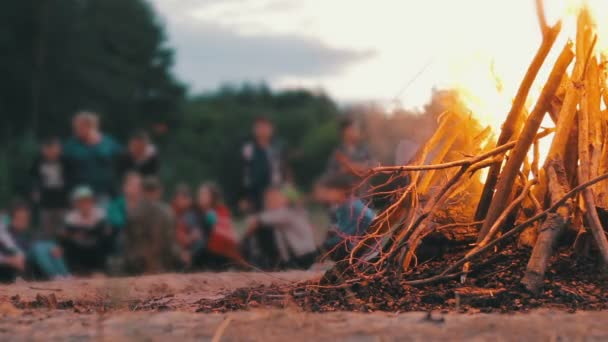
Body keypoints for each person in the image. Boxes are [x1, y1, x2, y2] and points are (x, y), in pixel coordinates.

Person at [245, 187, 317, 269]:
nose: (269, 202)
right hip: (298, 255)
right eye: (267, 200)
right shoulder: (285, 212)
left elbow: (259, 219)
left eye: (274, 199)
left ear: (285, 199)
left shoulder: (287, 212)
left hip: (304, 255)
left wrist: (253, 221)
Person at [123, 176, 180, 275]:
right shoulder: (167, 211)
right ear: (159, 191)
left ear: (142, 192)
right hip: (156, 261)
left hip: (143, 261)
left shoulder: (135, 212)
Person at [314, 175, 377, 261]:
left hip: (363, 252)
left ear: (340, 191)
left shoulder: (348, 207)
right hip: (366, 248)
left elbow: (343, 236)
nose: (326, 196)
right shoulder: (351, 203)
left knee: (322, 249)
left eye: (328, 192)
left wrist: (323, 247)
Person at [63, 111, 122, 200]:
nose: (74, 130)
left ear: (89, 126)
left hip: (105, 193)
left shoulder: (108, 143)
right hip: (79, 195)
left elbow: (120, 162)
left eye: (77, 127)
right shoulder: (70, 145)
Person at [5, 200, 70, 280]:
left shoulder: (30, 231)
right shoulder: (7, 232)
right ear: (12, 219)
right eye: (20, 218)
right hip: (21, 255)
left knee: (52, 246)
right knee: (39, 248)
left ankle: (66, 274)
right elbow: (12, 249)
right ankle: (55, 275)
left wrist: (53, 246)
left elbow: (42, 240)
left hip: (36, 253)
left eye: (26, 218)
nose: (24, 221)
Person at [60, 186, 113, 274]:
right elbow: (65, 235)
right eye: (81, 202)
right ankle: (75, 271)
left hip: (96, 249)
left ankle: (100, 270)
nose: (84, 204)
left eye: (87, 201)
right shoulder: (71, 217)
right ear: (76, 203)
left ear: (92, 201)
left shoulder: (100, 213)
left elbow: (106, 231)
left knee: (105, 240)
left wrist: (86, 231)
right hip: (79, 250)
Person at [188, 183, 241, 269]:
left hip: (222, 254)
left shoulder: (219, 211)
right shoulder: (198, 212)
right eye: (200, 194)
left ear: (212, 196)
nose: (200, 197)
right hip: (210, 252)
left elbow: (223, 234)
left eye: (204, 194)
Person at [239, 116, 285, 212]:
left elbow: (281, 171)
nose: (263, 130)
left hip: (275, 192)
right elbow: (243, 174)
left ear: (272, 130)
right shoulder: (248, 149)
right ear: (254, 130)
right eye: (259, 127)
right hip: (255, 193)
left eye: (266, 127)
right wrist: (244, 197)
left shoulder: (277, 148)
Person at [29, 137, 70, 238]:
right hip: (45, 202)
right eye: (48, 149)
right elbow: (33, 178)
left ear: (59, 150)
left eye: (54, 149)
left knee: (64, 228)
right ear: (43, 150)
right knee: (47, 230)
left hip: (63, 200)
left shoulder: (65, 161)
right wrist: (35, 190)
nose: (51, 152)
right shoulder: (38, 161)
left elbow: (72, 178)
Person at [325, 117, 373, 182]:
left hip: (364, 191)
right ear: (345, 132)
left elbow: (374, 167)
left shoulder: (364, 150)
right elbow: (330, 175)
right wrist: (343, 171)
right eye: (353, 129)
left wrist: (353, 167)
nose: (356, 132)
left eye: (356, 129)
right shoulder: (338, 153)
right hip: (345, 190)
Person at [171, 183, 196, 251]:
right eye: (184, 198)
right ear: (176, 199)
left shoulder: (189, 213)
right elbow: (179, 238)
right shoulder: (171, 214)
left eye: (188, 198)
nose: (188, 202)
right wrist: (192, 237)